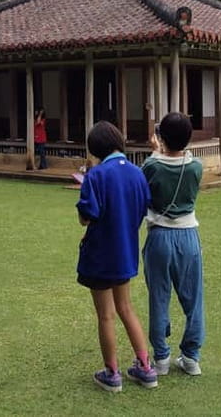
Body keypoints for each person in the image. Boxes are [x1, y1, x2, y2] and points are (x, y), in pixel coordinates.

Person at [76, 121, 157, 392]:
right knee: (126, 307)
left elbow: (85, 218)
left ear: (95, 148)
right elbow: (142, 208)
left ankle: (112, 373)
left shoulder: (96, 176)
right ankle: (146, 367)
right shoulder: (137, 174)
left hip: (99, 255)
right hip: (125, 251)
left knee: (106, 315)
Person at [142, 112, 205, 376]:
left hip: (159, 235)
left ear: (161, 137)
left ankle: (161, 358)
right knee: (194, 299)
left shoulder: (151, 165)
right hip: (188, 236)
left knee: (159, 298)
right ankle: (191, 357)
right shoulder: (196, 167)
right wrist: (164, 149)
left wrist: (157, 152)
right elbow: (180, 163)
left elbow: (152, 175)